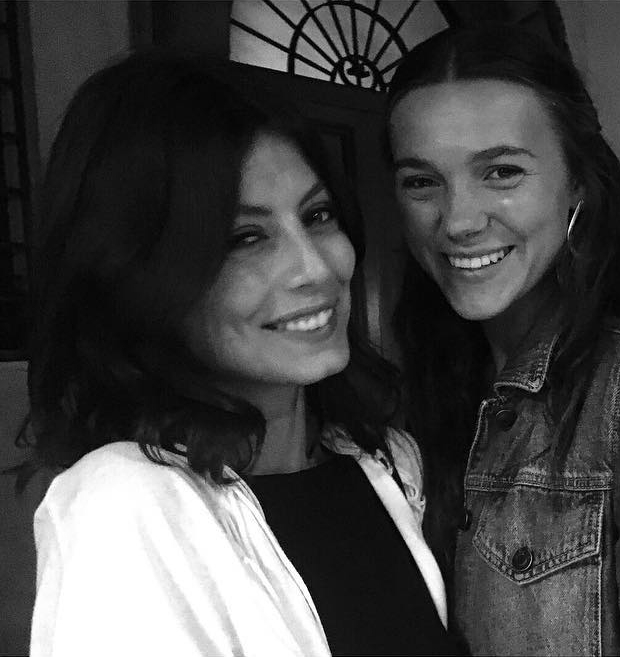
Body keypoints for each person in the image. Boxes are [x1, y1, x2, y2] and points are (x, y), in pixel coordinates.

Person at [24, 52, 455, 656]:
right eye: (245, 238)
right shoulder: (126, 505)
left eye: (318, 215)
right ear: (142, 275)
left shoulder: (388, 465)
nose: (315, 268)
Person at [385, 24, 620, 656]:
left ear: (578, 181)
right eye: (422, 181)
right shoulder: (420, 384)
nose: (458, 220)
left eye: (501, 172)